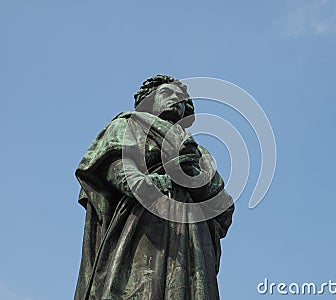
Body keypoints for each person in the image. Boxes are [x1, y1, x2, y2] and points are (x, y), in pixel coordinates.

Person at [74, 74, 234, 300]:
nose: (175, 100)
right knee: (141, 287)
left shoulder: (198, 152)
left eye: (181, 98)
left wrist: (191, 174)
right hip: (143, 226)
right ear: (148, 99)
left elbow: (222, 206)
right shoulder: (129, 124)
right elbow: (115, 164)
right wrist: (145, 184)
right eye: (167, 93)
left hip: (191, 236)